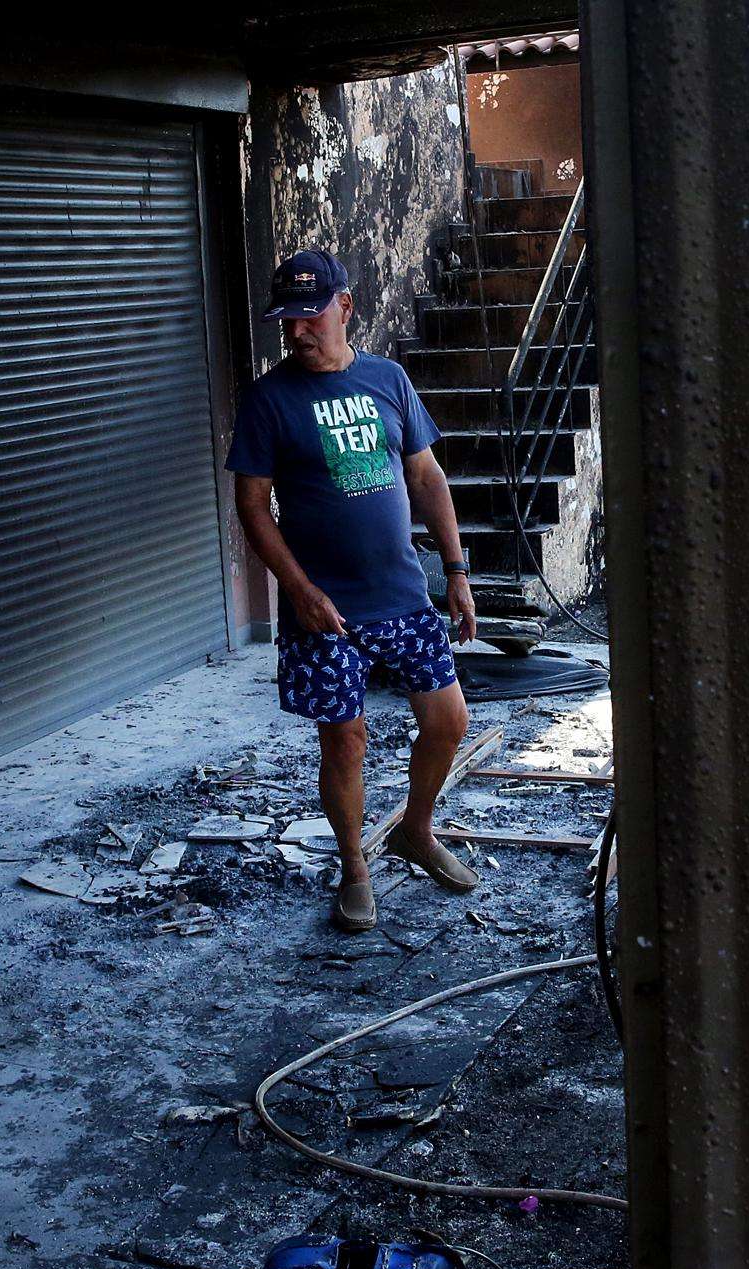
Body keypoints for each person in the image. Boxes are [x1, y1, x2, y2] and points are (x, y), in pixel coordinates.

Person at [227, 248, 480, 932]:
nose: (298, 332)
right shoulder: (268, 400)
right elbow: (252, 506)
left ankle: (415, 831)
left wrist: (456, 572)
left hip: (402, 593)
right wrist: (298, 590)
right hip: (325, 609)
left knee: (448, 722)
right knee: (345, 740)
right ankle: (355, 868)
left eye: (311, 316)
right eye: (287, 320)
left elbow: (427, 478)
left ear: (345, 307)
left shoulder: (387, 379)